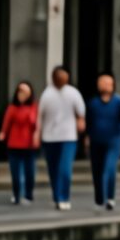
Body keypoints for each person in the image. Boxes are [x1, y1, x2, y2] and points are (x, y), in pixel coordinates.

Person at [82, 73, 120, 210]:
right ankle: (99, 199)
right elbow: (88, 122)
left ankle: (110, 198)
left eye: (108, 82)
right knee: (97, 170)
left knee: (109, 167)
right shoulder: (93, 103)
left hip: (114, 140)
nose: (105, 85)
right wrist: (87, 138)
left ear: (113, 85)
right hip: (96, 140)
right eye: (102, 82)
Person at [38, 67, 84, 210]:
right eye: (59, 76)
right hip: (49, 137)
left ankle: (64, 196)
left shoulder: (73, 93)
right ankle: (57, 196)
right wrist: (37, 134)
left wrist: (81, 121)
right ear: (53, 77)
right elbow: (40, 116)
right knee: (53, 169)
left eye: (64, 76)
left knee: (64, 168)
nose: (62, 79)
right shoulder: (47, 94)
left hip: (68, 137)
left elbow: (81, 112)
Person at [0, 81, 40, 205]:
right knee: (16, 173)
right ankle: (16, 195)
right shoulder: (12, 108)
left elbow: (35, 123)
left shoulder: (34, 107)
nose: (22, 94)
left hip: (29, 145)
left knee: (30, 172)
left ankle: (28, 194)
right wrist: (3, 133)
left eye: (25, 92)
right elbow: (6, 122)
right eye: (20, 91)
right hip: (14, 144)